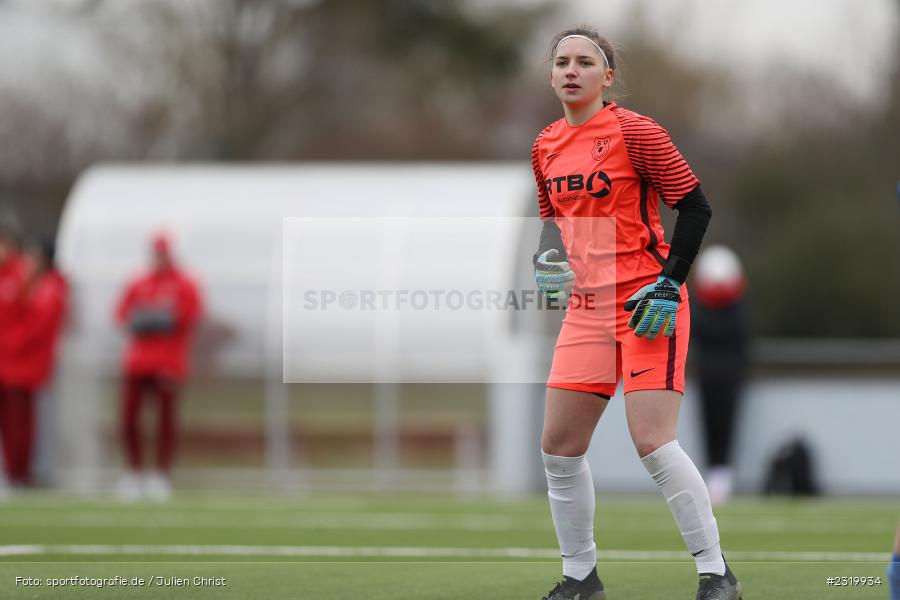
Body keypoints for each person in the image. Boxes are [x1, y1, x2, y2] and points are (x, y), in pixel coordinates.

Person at [531, 28, 741, 600]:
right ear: (551, 75)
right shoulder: (545, 144)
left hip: (647, 305)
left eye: (585, 62)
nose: (572, 70)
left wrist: (669, 284)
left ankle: (716, 573)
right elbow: (554, 224)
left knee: (653, 442)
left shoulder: (635, 130)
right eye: (561, 62)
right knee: (558, 447)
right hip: (586, 311)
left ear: (608, 76)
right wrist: (546, 258)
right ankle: (581, 580)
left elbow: (695, 206)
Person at [114, 232, 203, 501]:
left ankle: (161, 475)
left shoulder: (184, 283)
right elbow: (122, 314)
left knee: (165, 422)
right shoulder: (139, 282)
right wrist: (154, 318)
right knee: (129, 419)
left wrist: (156, 318)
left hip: (168, 362)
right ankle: (135, 474)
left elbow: (186, 316)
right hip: (138, 362)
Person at [1, 238, 68, 487]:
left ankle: (21, 473)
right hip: (15, 365)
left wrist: (8, 342)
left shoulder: (49, 288)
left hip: (27, 367)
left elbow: (36, 328)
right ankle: (14, 472)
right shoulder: (34, 284)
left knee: (23, 424)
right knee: (15, 422)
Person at [690, 245, 750, 505]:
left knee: (727, 424)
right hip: (708, 375)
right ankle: (712, 475)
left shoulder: (737, 310)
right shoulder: (701, 310)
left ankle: (722, 476)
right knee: (708, 423)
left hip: (730, 376)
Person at [0, 217, 26, 493]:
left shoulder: (22, 274)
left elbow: (32, 320)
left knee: (17, 423)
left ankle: (17, 472)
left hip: (17, 365)